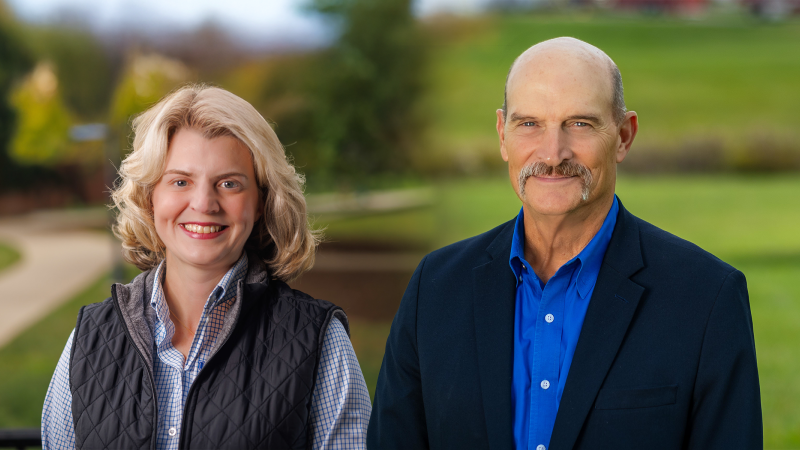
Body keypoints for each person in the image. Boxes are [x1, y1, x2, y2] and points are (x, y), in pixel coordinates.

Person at [367, 37, 762, 449]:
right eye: (529, 124)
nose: (553, 154)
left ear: (624, 136)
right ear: (503, 135)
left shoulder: (706, 297)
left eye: (579, 123)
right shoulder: (434, 288)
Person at [42, 85, 371, 450]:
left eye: (229, 183)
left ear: (262, 201)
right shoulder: (88, 341)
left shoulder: (318, 341)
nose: (204, 203)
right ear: (150, 197)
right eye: (180, 181)